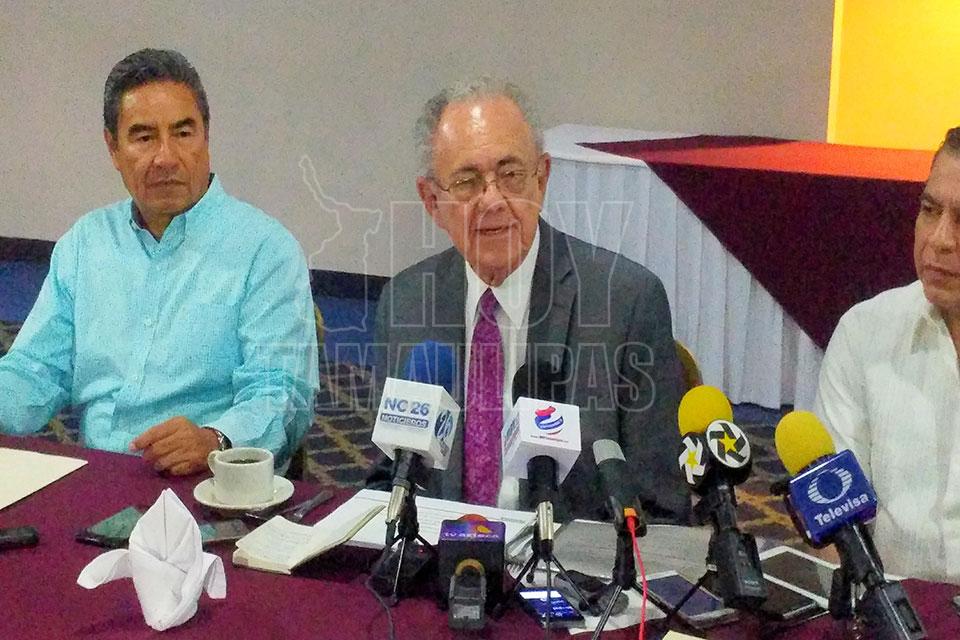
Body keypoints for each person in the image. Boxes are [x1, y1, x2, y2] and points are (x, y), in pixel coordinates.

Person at [368, 77, 689, 522]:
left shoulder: (626, 303)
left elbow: (662, 509)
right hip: (440, 553)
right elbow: (391, 478)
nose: (493, 200)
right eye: (466, 182)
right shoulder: (405, 302)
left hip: (572, 560)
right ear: (432, 201)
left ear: (542, 179)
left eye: (511, 175)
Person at [0, 49, 318, 476]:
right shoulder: (85, 244)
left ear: (206, 137)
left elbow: (281, 394)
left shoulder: (265, 250)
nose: (166, 157)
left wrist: (215, 440)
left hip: (210, 482)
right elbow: (37, 371)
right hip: (96, 478)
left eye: (183, 133)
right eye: (144, 137)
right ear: (113, 148)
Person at [814, 126, 960, 584]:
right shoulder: (865, 333)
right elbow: (834, 529)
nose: (940, 240)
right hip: (887, 609)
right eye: (929, 211)